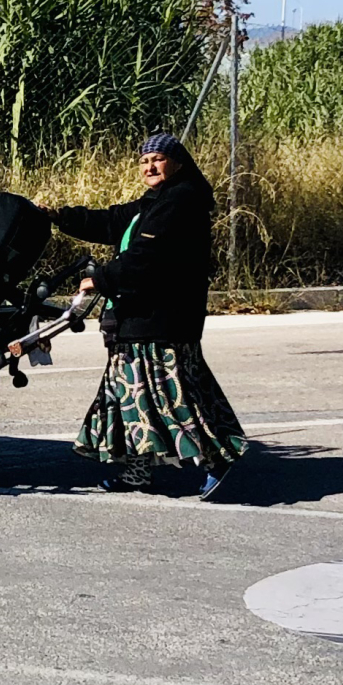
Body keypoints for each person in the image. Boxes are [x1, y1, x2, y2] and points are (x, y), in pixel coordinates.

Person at [46, 133, 246, 498]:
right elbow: (111, 221)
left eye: (158, 159)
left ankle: (215, 459)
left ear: (178, 163)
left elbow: (147, 258)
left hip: (159, 319)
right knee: (128, 396)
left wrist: (101, 279)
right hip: (142, 318)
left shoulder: (180, 201)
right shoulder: (155, 201)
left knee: (167, 398)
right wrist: (59, 216)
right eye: (144, 161)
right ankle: (137, 473)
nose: (150, 166)